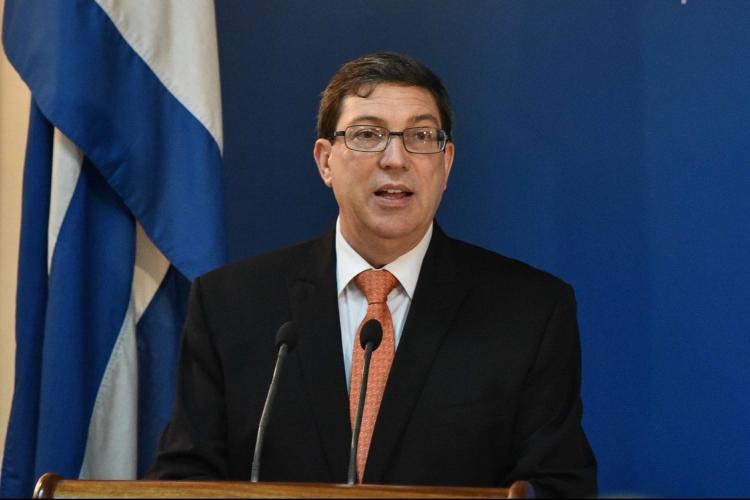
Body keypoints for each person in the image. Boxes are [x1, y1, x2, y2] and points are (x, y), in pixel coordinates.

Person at [148, 52, 597, 497]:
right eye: (368, 135)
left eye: (421, 136)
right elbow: (184, 479)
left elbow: (559, 485)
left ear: (446, 163)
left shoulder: (529, 312)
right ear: (325, 161)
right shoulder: (231, 304)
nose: (395, 159)